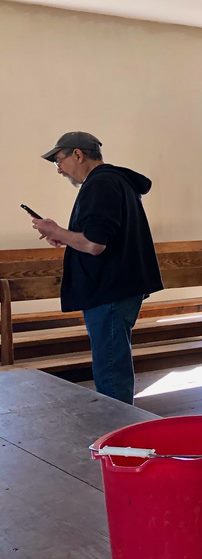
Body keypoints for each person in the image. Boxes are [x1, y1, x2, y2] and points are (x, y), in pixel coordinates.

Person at [29, 131, 163, 404]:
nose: (59, 169)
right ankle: (120, 424)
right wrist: (64, 236)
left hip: (109, 291)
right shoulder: (115, 181)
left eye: (59, 161)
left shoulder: (100, 184)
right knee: (113, 363)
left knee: (111, 371)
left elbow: (94, 245)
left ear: (78, 154)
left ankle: (118, 428)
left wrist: (56, 230)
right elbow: (102, 238)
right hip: (117, 289)